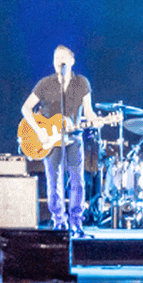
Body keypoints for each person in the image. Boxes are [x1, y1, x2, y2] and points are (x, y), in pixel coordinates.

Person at [21, 45, 96, 236]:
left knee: (78, 181)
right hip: (49, 140)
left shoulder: (82, 83)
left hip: (74, 138)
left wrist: (97, 120)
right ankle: (58, 221)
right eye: (55, 59)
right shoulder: (45, 84)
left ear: (72, 60)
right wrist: (39, 131)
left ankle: (76, 223)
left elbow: (88, 111)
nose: (58, 62)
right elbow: (26, 109)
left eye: (62, 58)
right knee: (54, 181)